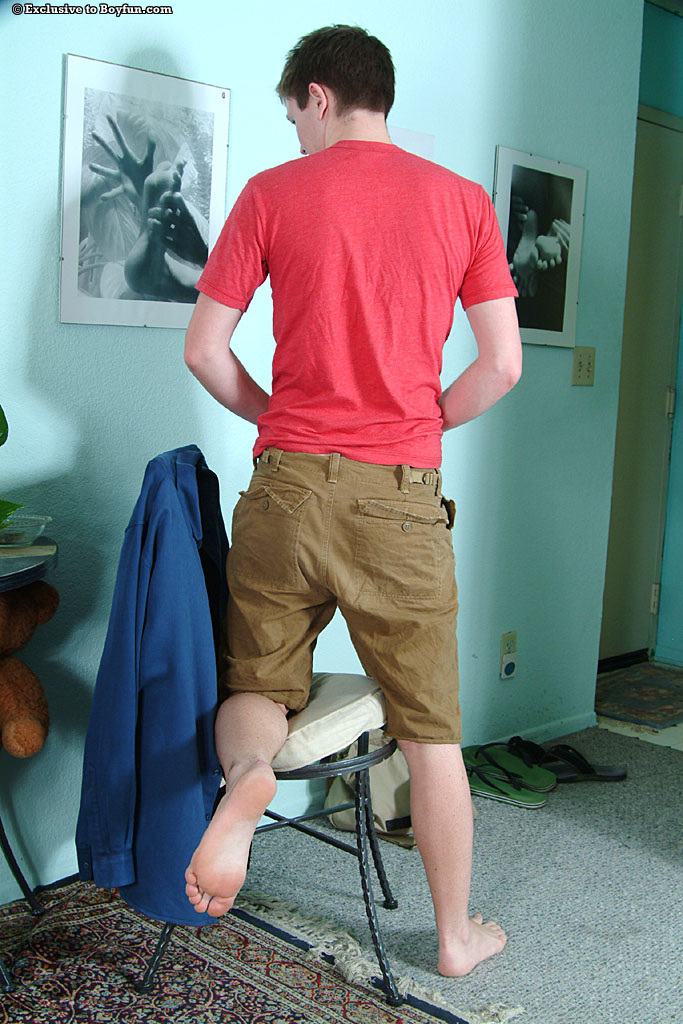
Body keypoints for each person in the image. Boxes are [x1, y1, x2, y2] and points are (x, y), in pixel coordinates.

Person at [183, 25, 522, 979]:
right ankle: (452, 939)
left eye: (294, 114)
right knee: (430, 732)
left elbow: (204, 350)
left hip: (285, 488)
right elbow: (501, 366)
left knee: (258, 687)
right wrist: (417, 428)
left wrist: (281, 419)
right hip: (397, 500)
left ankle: (250, 779)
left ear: (320, 96)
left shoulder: (271, 194)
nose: (294, 133)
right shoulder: (461, 202)